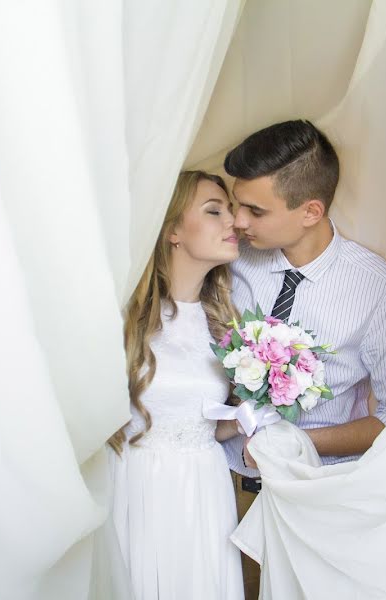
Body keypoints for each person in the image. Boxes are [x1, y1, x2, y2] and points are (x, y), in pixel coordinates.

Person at [221, 120, 386, 598]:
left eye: (254, 210)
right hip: (220, 488)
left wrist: (290, 442)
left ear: (311, 210)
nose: (238, 222)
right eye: (234, 204)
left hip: (313, 503)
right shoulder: (231, 259)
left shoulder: (377, 290)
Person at [108, 171, 245, 600]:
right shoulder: (126, 317)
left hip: (205, 487)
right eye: (214, 211)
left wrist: (251, 415)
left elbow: (204, 421)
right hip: (139, 485)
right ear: (172, 231)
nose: (234, 222)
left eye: (232, 210)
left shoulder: (226, 323)